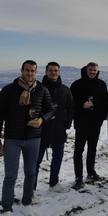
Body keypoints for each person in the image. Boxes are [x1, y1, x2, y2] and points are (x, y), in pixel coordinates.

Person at [0, 60, 55, 216]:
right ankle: (7, 210)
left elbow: (50, 109)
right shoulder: (9, 90)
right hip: (12, 138)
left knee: (31, 172)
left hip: (34, 138)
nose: (29, 73)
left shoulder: (42, 90)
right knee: (10, 176)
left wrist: (42, 119)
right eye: (27, 70)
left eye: (33, 71)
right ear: (21, 70)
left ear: (36, 71)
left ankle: (26, 203)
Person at [34, 62, 75, 194]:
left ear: (59, 72)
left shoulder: (64, 89)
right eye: (50, 70)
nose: (53, 73)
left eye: (56, 70)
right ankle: (32, 187)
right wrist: (42, 117)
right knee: (36, 160)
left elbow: (71, 107)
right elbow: (32, 108)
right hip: (41, 129)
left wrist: (66, 124)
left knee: (58, 157)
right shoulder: (37, 88)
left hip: (59, 128)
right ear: (46, 72)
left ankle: (54, 183)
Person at [70, 62, 108, 189]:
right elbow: (71, 103)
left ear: (97, 71)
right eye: (90, 70)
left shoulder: (101, 84)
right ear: (86, 70)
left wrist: (101, 116)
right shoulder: (77, 85)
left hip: (95, 122)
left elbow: (105, 102)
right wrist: (82, 105)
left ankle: (91, 172)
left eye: (94, 70)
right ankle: (78, 176)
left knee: (92, 148)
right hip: (81, 122)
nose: (92, 72)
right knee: (79, 149)